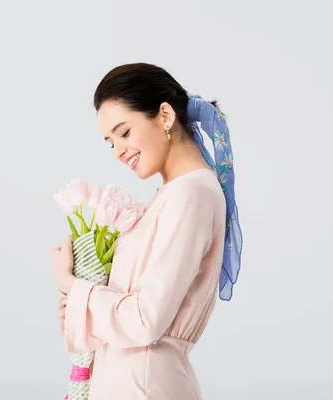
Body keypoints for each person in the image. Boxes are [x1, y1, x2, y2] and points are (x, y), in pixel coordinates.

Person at [51, 62, 243, 400]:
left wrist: (73, 285)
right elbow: (135, 311)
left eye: (124, 132)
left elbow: (146, 320)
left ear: (165, 116)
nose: (119, 151)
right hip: (131, 381)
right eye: (111, 142)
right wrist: (82, 306)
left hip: (145, 386)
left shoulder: (191, 193)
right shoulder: (171, 196)